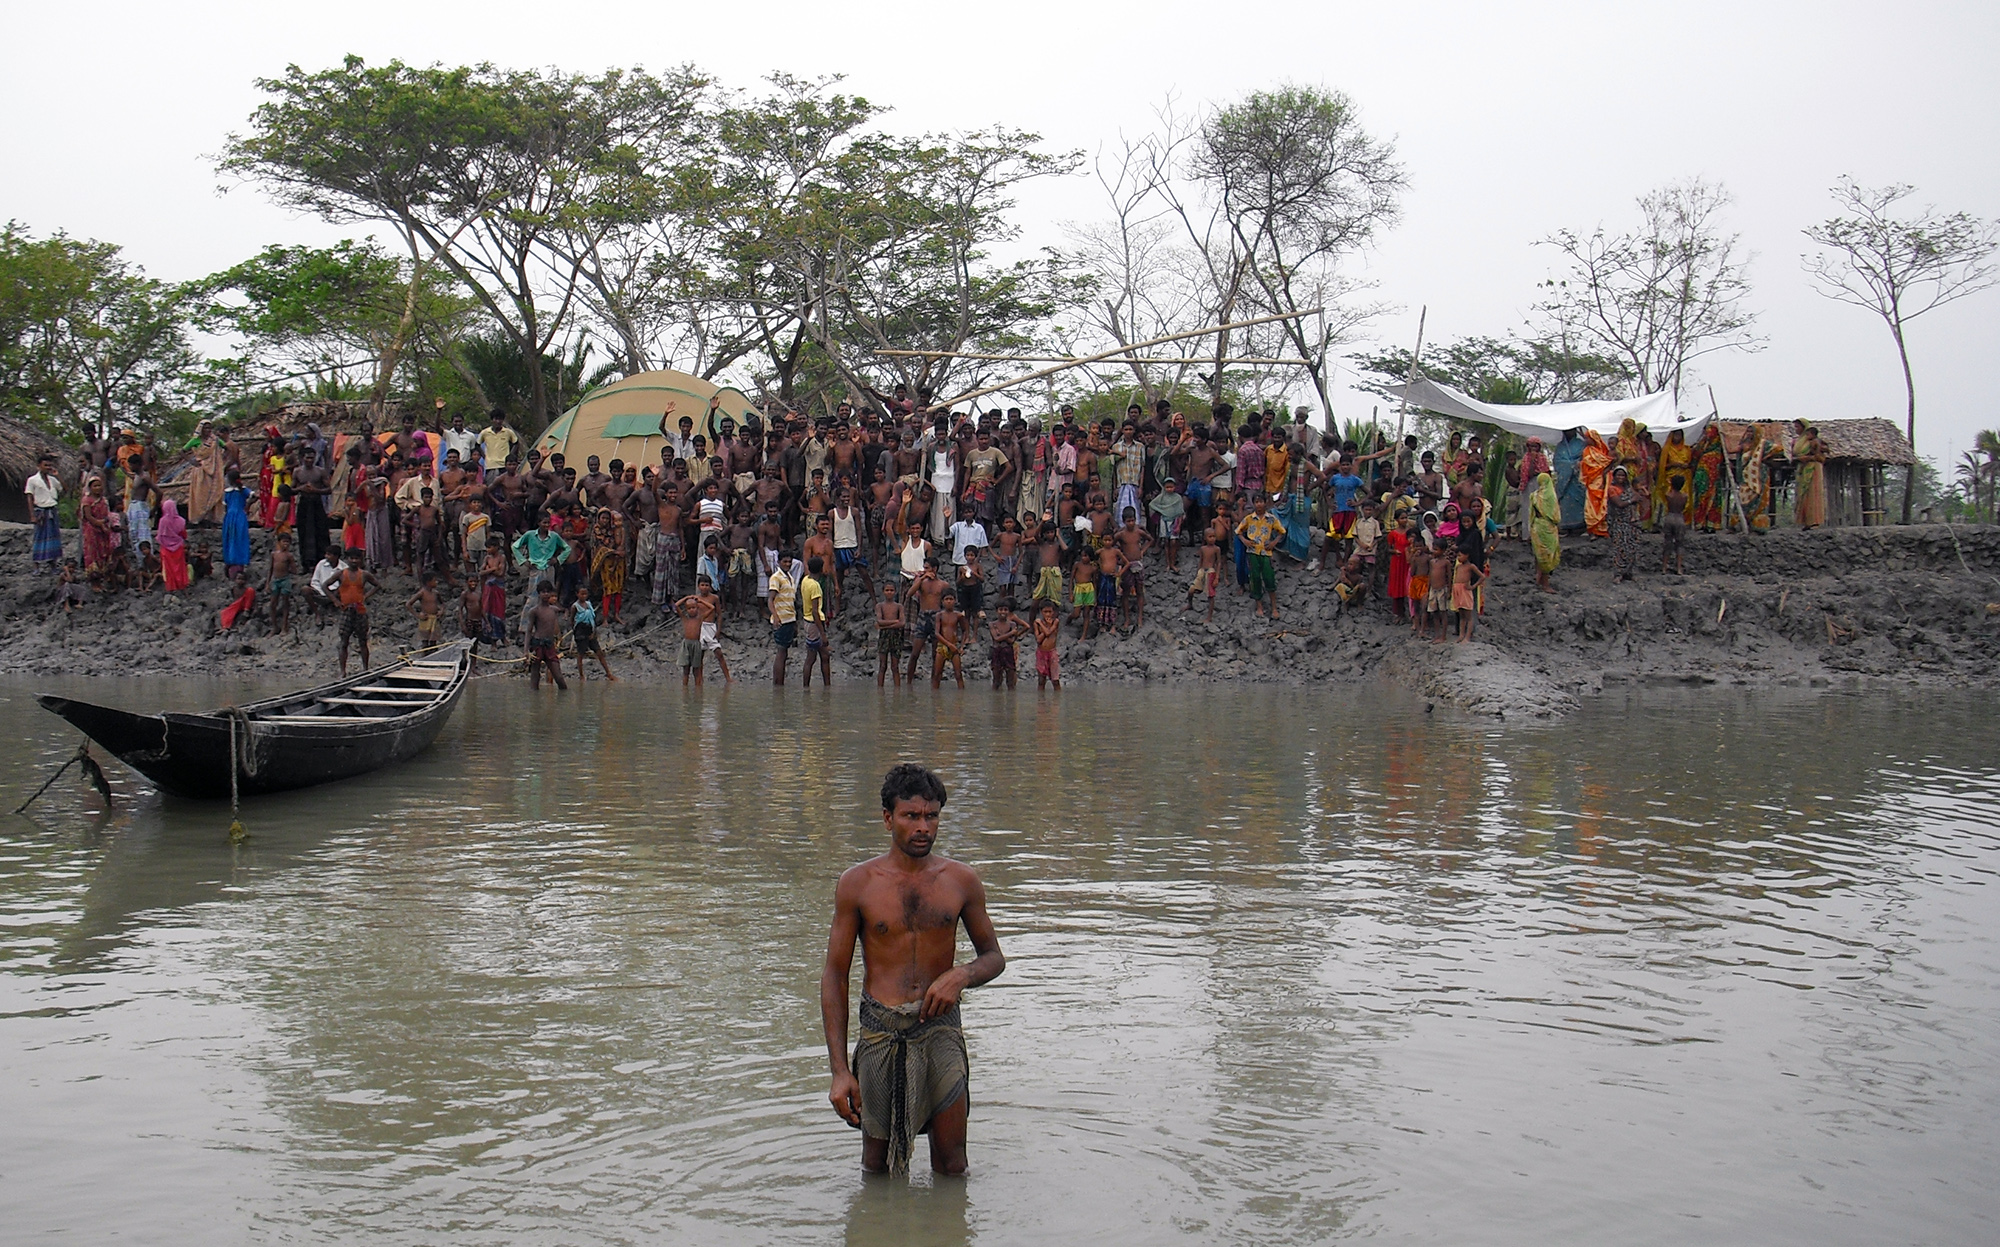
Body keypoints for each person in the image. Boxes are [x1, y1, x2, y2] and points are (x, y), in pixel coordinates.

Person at [821, 765, 1005, 1177]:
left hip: (940, 1030)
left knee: (953, 1163)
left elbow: (993, 956)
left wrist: (961, 976)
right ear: (888, 818)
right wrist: (839, 1072)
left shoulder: (961, 880)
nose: (923, 827)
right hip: (881, 1032)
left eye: (931, 816)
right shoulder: (858, 883)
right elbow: (835, 975)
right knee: (877, 1167)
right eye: (911, 816)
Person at [1234, 495, 1286, 619]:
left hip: (1266, 553)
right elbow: (1238, 531)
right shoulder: (1249, 519)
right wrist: (1245, 541)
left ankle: (1274, 608)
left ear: (1265, 503)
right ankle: (1259, 607)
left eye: (1261, 501)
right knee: (1255, 578)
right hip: (1252, 552)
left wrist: (1273, 543)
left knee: (1269, 578)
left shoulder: (1271, 519)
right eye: (1256, 502)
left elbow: (1282, 532)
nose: (1259, 504)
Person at [676, 578, 732, 686]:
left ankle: (728, 678)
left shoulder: (714, 598)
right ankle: (699, 680)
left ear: (710, 586)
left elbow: (718, 614)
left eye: (707, 585)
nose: (704, 587)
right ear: (698, 586)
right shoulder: (695, 600)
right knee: (699, 655)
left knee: (718, 653)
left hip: (710, 627)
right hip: (699, 627)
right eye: (702, 585)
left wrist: (718, 630)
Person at [333, 547, 379, 674]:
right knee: (343, 642)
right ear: (347, 559)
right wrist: (336, 601)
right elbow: (325, 585)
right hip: (346, 610)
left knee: (363, 641)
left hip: (360, 611)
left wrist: (366, 596)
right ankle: (343, 671)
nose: (354, 561)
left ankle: (365, 669)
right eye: (351, 558)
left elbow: (377, 585)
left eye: (357, 558)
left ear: (361, 560)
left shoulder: (364, 574)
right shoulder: (341, 574)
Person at [525, 583, 570, 691]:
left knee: (559, 678)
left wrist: (567, 613)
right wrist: (526, 651)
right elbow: (529, 631)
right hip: (537, 644)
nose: (545, 594)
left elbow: (566, 610)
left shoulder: (553, 609)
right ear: (539, 594)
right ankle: (534, 704)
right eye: (543, 592)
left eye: (547, 592)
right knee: (535, 678)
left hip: (549, 645)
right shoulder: (534, 611)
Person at [25, 454, 63, 572]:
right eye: (45, 465)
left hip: (52, 510)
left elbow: (64, 489)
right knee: (39, 537)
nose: (48, 467)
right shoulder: (32, 480)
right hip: (41, 511)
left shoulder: (52, 480)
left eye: (50, 465)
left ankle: (53, 564)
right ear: (39, 466)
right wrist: (32, 515)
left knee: (53, 537)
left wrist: (58, 476)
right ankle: (36, 565)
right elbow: (29, 498)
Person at [571, 588, 616, 682]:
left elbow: (592, 618)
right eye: (581, 594)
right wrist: (575, 632)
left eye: (585, 594)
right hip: (580, 631)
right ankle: (581, 675)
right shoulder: (575, 606)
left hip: (590, 630)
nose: (584, 596)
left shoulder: (588, 604)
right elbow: (572, 620)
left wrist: (594, 632)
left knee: (599, 652)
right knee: (580, 654)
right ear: (577, 594)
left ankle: (608, 673)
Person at [801, 554, 832, 688]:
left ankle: (825, 687)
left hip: (807, 622)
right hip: (814, 624)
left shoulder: (805, 580)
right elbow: (815, 611)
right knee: (812, 657)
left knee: (824, 656)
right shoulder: (815, 586)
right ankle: (808, 687)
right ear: (821, 569)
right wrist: (823, 634)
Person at [768, 553, 798, 685]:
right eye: (785, 561)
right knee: (781, 651)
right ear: (779, 562)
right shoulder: (776, 578)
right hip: (782, 619)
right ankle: (778, 685)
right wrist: (775, 617)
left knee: (784, 652)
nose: (788, 564)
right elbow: (770, 599)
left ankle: (780, 685)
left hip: (790, 618)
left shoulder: (789, 577)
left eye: (789, 562)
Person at [1529, 471, 1561, 593]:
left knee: (1539, 553)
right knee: (1548, 555)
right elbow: (1555, 516)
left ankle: (1539, 578)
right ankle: (1546, 584)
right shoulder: (1551, 496)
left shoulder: (1534, 495)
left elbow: (1531, 514)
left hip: (1536, 526)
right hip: (1548, 527)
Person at [1607, 465, 1640, 580]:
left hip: (1631, 523)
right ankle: (1618, 574)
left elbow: (1640, 497)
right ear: (1614, 476)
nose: (1620, 477)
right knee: (1619, 548)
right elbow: (1619, 504)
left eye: (1623, 475)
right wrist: (1631, 500)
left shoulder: (1629, 489)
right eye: (1618, 475)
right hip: (1619, 522)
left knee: (1632, 547)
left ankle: (1628, 573)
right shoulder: (1612, 489)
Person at [1792, 422, 1827, 530]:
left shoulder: (1816, 442)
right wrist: (1799, 459)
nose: (1796, 429)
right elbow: (1793, 456)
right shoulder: (1797, 442)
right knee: (1803, 495)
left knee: (1813, 493)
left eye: (1797, 427)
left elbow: (1821, 456)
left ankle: (1815, 521)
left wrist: (1809, 458)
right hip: (1802, 469)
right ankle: (1806, 521)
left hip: (1813, 469)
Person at [875, 579, 906, 688]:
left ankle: (897, 691)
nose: (889, 592)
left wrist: (885, 625)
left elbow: (902, 623)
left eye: (891, 590)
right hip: (884, 637)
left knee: (895, 666)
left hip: (896, 636)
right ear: (883, 591)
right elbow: (879, 621)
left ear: (895, 591)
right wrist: (894, 621)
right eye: (887, 590)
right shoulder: (880, 606)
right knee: (882, 666)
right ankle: (880, 691)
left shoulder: (899, 606)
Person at [221, 467, 253, 574]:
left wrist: (247, 506)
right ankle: (239, 560)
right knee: (239, 537)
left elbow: (225, 506)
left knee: (231, 538)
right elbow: (254, 495)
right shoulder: (243, 490)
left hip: (230, 517)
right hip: (240, 516)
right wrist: (247, 506)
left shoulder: (228, 492)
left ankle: (231, 559)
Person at [267, 533, 298, 635]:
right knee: (272, 603)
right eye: (284, 542)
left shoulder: (289, 556)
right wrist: (267, 583)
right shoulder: (274, 554)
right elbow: (270, 569)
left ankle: (285, 626)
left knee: (285, 602)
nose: (286, 544)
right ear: (279, 542)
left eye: (288, 542)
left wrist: (289, 568)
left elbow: (294, 570)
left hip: (285, 580)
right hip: (275, 580)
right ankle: (274, 626)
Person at [988, 602, 1023, 690]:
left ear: (1008, 611)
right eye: (1000, 609)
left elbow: (1011, 641)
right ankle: (996, 702)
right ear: (996, 611)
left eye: (1005, 609)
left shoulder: (1012, 624)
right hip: (996, 652)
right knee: (996, 681)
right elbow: (996, 638)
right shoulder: (992, 624)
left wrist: (1001, 635)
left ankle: (1011, 702)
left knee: (1010, 682)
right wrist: (1010, 633)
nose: (1003, 612)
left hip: (1008, 652)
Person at [1661, 474, 1689, 575]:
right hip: (1679, 518)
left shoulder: (1669, 495)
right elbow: (1683, 507)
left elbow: (1665, 494)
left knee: (1667, 543)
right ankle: (1679, 568)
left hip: (1669, 517)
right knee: (1679, 544)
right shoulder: (1684, 496)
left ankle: (1664, 567)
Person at [409, 572, 444, 651]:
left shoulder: (436, 593)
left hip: (434, 619)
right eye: (434, 580)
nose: (437, 582)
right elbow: (408, 604)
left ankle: (434, 657)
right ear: (428, 582)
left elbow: (442, 604)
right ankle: (425, 656)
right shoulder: (422, 593)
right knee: (425, 641)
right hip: (425, 619)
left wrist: (441, 611)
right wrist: (417, 615)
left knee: (433, 641)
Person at [1032, 602, 1061, 689]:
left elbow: (1048, 633)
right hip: (1041, 653)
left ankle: (1056, 701)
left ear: (1053, 612)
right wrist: (1043, 625)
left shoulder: (1055, 622)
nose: (1047, 614)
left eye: (1050, 612)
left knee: (1055, 680)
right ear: (1041, 612)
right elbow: (1038, 639)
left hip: (1052, 653)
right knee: (1041, 680)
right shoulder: (1036, 623)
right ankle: (1041, 701)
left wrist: (1045, 625)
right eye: (1045, 612)